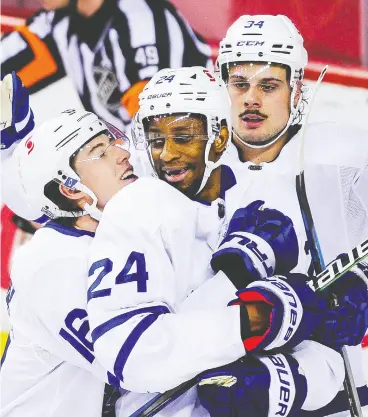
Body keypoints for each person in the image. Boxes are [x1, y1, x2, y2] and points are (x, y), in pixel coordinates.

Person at [1, 73, 341, 417]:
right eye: (99, 152)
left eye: (113, 141)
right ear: (72, 190)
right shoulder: (50, 267)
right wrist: (241, 279)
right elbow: (140, 362)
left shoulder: (124, 232)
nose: (122, 154)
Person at [200, 14, 368, 417]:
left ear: (295, 90)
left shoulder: (343, 157)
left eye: (268, 86)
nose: (250, 99)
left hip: (333, 386)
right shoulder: (197, 168)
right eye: (239, 84)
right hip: (221, 381)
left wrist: (362, 289)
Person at [0, 0, 212, 133]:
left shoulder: (142, 19)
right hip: (129, 165)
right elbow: (8, 63)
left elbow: (159, 132)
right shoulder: (59, 21)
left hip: (187, 172)